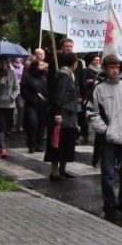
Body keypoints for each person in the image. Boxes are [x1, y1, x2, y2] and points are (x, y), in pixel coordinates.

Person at [89, 55, 122, 220]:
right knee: (108, 174)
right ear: (105, 69)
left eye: (117, 67)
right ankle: (110, 206)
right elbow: (92, 113)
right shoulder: (99, 89)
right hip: (109, 138)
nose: (115, 70)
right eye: (112, 67)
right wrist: (104, 130)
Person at [45, 52, 80, 180]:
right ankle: (54, 172)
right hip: (63, 115)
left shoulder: (69, 75)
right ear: (74, 63)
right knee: (58, 143)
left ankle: (62, 170)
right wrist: (58, 112)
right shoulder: (64, 75)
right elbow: (58, 96)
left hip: (69, 115)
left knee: (67, 143)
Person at [20, 58, 49, 153]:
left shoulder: (44, 77)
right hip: (31, 105)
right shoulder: (27, 77)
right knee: (33, 124)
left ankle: (38, 144)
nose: (43, 67)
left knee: (41, 125)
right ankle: (31, 144)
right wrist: (32, 99)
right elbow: (24, 92)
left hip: (43, 105)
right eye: (40, 66)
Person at [0, 57, 19, 157]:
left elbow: (17, 88)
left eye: (6, 63)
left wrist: (12, 97)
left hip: (9, 104)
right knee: (0, 126)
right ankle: (3, 148)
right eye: (2, 63)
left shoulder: (12, 73)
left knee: (8, 126)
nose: (4, 65)